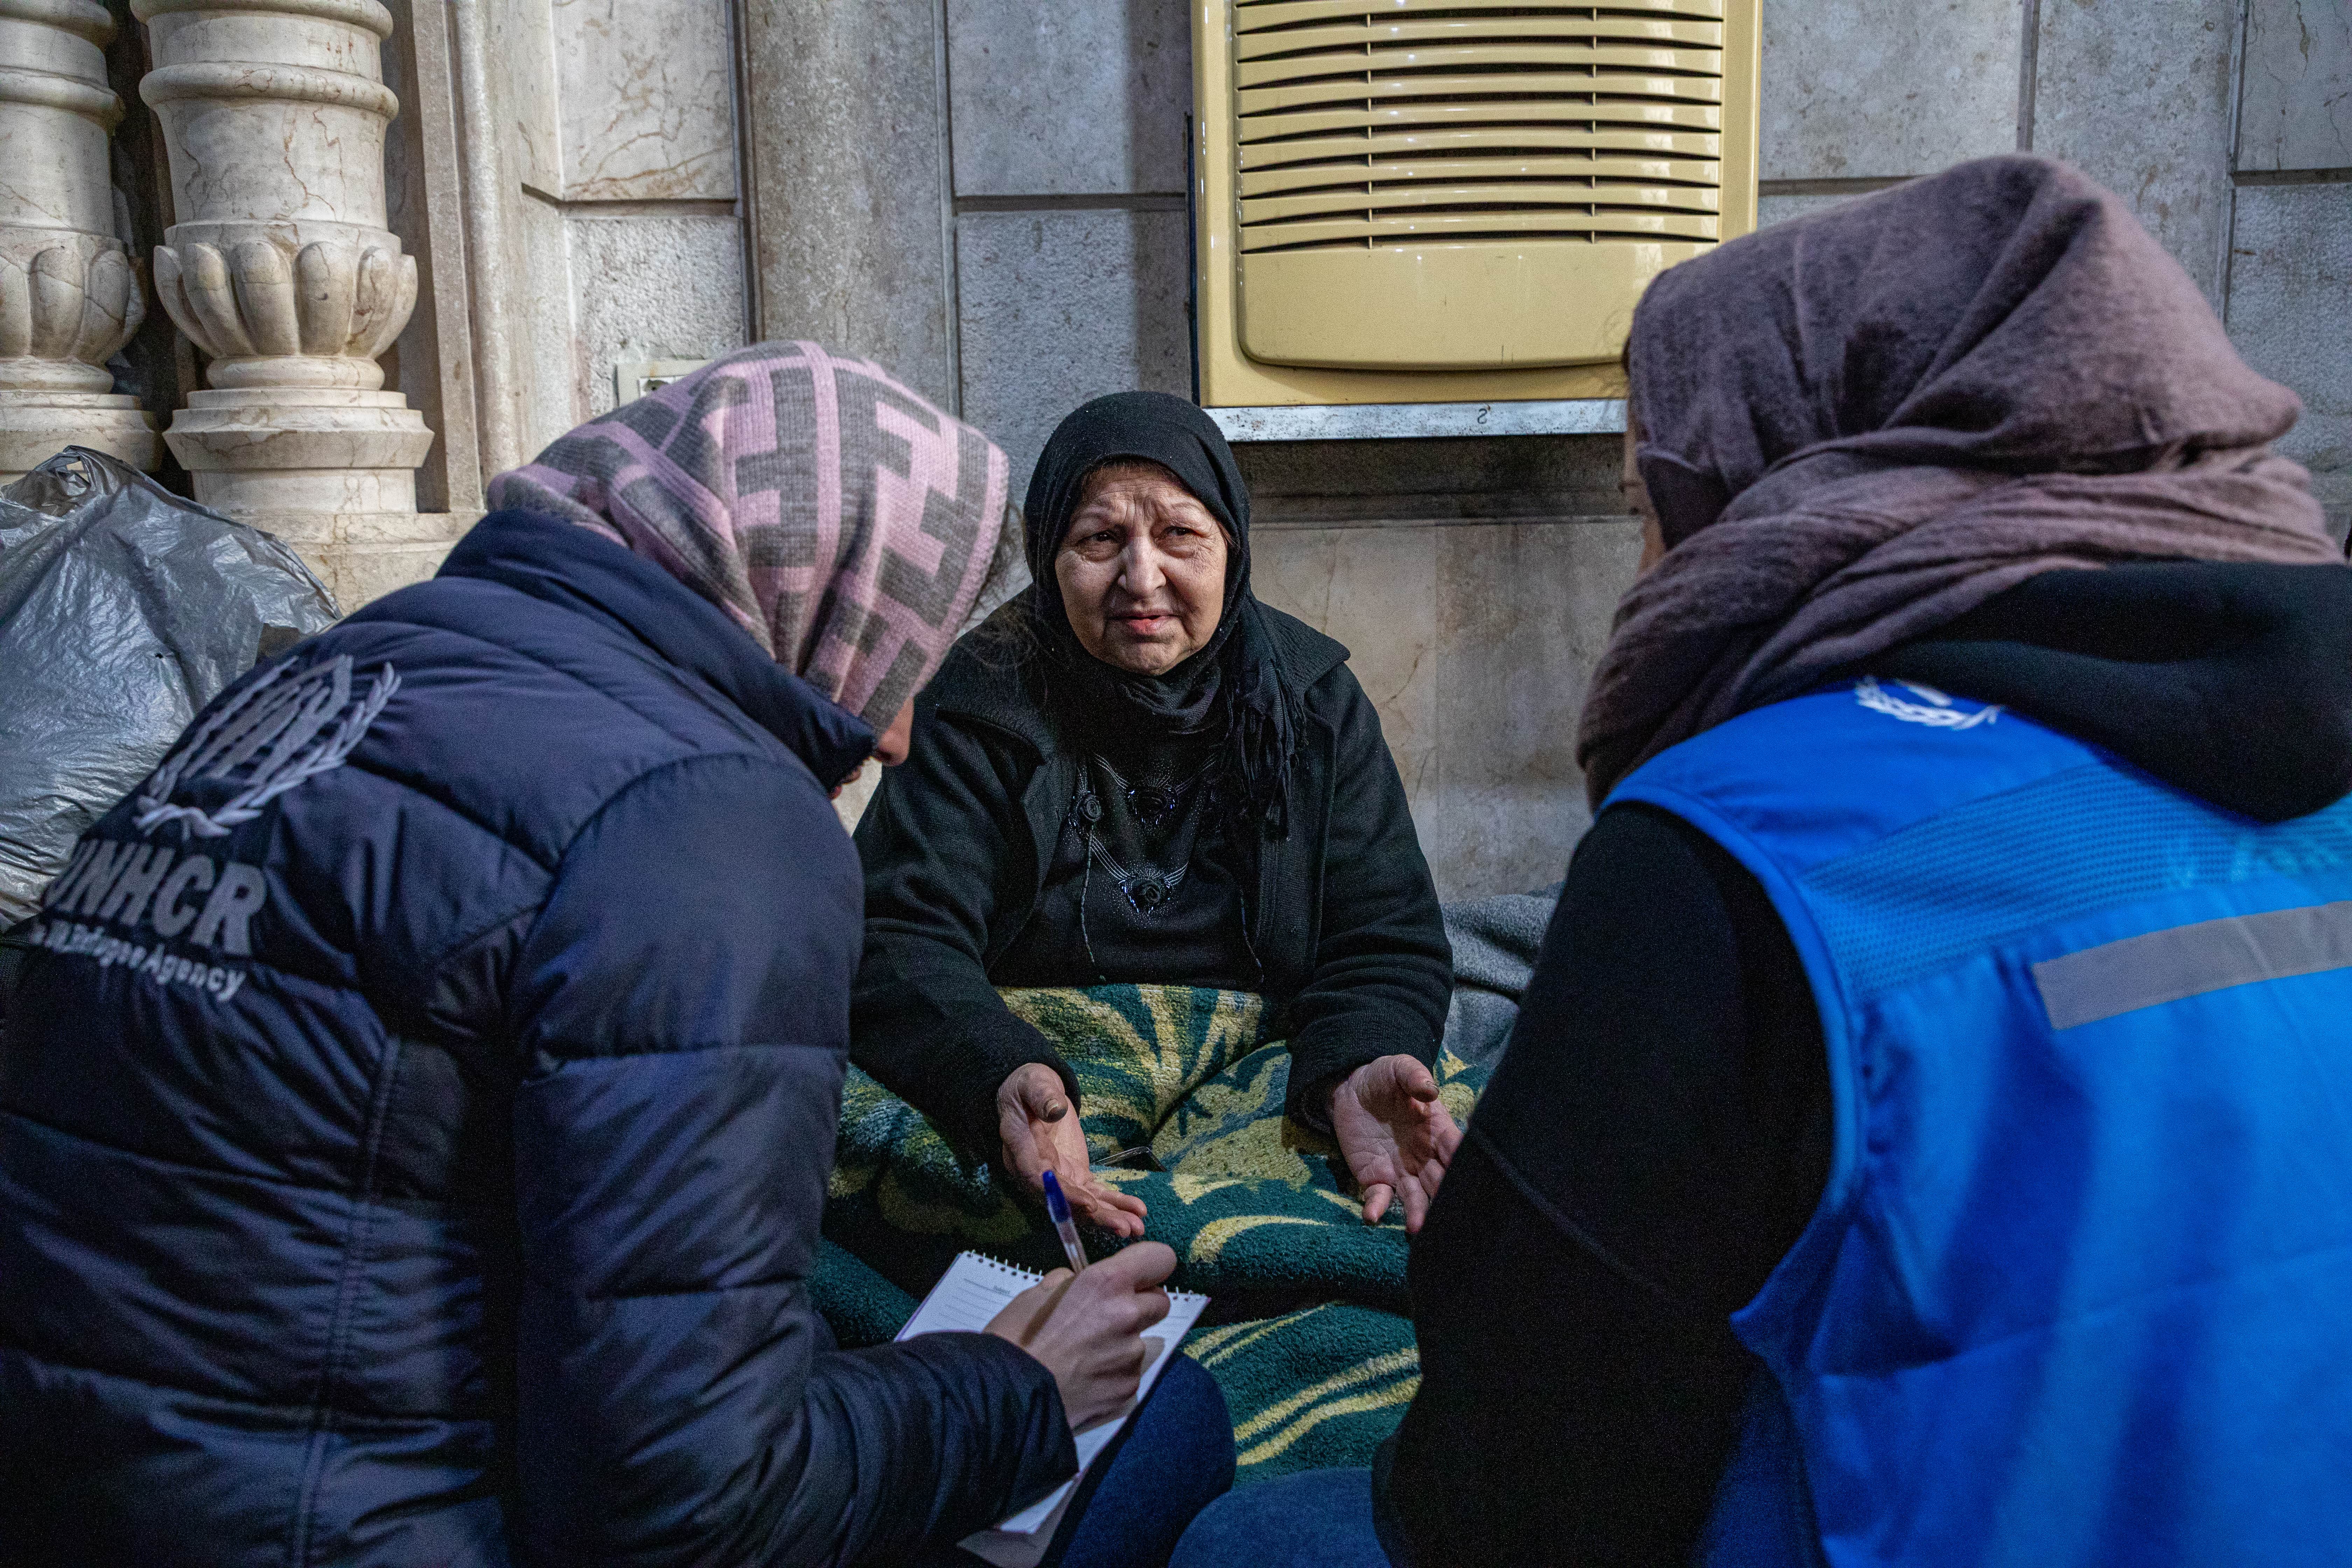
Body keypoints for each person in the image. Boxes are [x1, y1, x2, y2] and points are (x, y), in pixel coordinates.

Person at [1172, 156, 2352, 1567]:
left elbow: (1519, 1486)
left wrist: (1537, 1186)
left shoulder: (1736, 833)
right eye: (1097, 539)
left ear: (1810, 481)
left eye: (1651, 504)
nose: (1646, 570)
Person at [0, 343, 1232, 1567]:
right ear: (809, 583)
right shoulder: (708, 813)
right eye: (892, 651)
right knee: (1159, 1419)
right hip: (348, 1523)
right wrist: (1017, 1387)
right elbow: (685, 1507)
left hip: (91, 1491)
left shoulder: (335, 670)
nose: (896, 731)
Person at [852, 392, 1457, 1236]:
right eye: (1100, 540)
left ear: (1231, 548)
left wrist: (1358, 1061)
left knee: (1440, 1173)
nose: (1143, 577)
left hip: (1262, 1062)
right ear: (1048, 555)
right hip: (1044, 1066)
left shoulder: (1312, 703)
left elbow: (1384, 935)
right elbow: (898, 935)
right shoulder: (978, 701)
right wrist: (996, 1071)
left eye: (1180, 535)